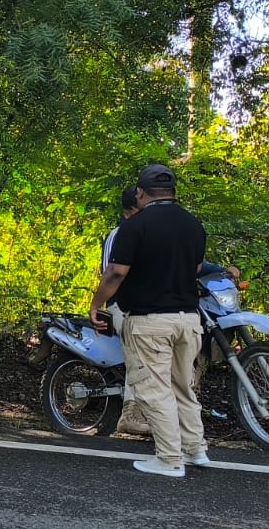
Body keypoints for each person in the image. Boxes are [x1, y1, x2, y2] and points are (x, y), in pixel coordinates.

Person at [88, 163, 210, 478]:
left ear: (141, 193)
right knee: (182, 385)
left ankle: (169, 459)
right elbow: (196, 269)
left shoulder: (135, 226)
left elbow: (116, 272)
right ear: (173, 192)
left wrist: (96, 303)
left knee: (154, 389)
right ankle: (195, 449)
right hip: (188, 320)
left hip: (149, 320)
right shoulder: (193, 225)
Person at [101, 185, 150, 437]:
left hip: (147, 305)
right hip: (121, 305)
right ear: (130, 210)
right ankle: (130, 415)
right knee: (140, 345)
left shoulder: (150, 234)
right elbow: (110, 274)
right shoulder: (118, 235)